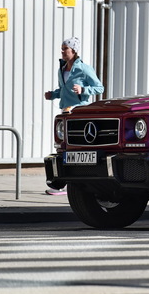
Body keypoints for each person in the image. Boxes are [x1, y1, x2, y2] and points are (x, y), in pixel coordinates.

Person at [44, 37, 104, 195]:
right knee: (63, 148)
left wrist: (83, 90)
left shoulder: (84, 69)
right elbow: (62, 90)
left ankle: (67, 184)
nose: (63, 51)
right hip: (65, 113)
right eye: (62, 48)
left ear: (74, 50)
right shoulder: (62, 69)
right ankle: (63, 184)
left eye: (65, 48)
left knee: (74, 148)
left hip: (79, 112)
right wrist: (53, 94)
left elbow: (99, 87)